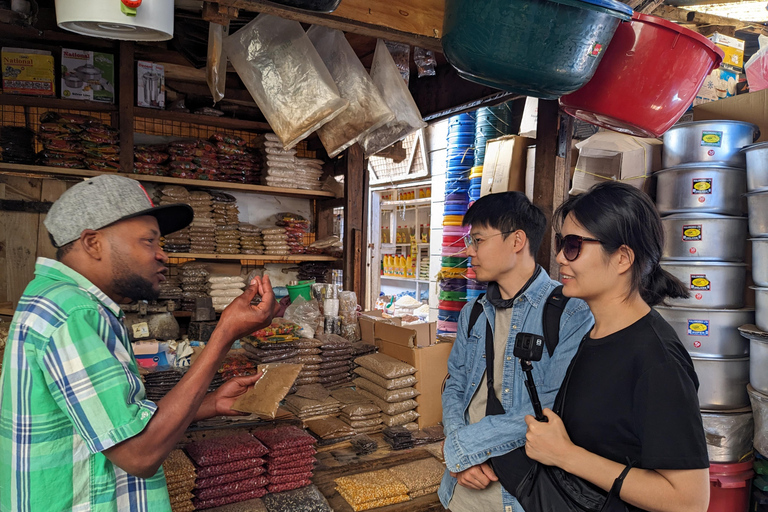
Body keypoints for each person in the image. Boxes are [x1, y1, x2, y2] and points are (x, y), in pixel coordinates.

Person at [0, 175, 278, 512]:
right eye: (149, 242)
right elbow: (138, 454)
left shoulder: (56, 299)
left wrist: (209, 404)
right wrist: (224, 334)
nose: (163, 256)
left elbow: (110, 422)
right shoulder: (75, 314)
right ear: (92, 243)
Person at [520, 181, 710, 512]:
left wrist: (567, 455)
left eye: (574, 245)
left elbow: (689, 500)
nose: (560, 257)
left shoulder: (656, 360)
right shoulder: (595, 334)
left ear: (622, 258)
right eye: (560, 243)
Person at [439, 191, 594, 512]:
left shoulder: (569, 312)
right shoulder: (473, 312)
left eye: (478, 240)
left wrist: (461, 449)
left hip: (521, 496)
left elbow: (551, 408)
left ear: (517, 241)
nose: (469, 250)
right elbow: (455, 385)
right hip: (463, 491)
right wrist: (461, 457)